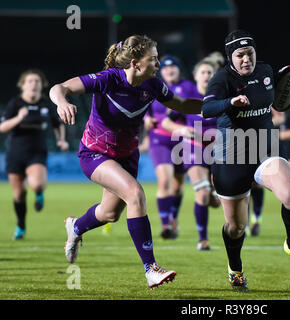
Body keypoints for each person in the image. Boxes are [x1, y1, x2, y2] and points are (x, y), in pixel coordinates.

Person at [49, 34, 202, 289]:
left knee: (109, 214)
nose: (158, 63)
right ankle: (151, 269)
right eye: (153, 59)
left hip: (127, 156)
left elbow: (182, 104)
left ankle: (75, 227)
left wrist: (221, 105)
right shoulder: (108, 78)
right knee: (135, 194)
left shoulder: (152, 85)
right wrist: (62, 102)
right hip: (95, 153)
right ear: (135, 63)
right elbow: (59, 88)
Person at [202, 30, 290, 292]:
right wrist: (230, 101)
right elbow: (206, 109)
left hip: (266, 148)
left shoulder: (265, 71)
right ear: (231, 57)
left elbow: (275, 98)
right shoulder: (222, 79)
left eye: (249, 53)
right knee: (235, 227)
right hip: (231, 156)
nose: (246, 59)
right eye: (240, 55)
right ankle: (236, 270)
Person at [0, 69, 69, 240]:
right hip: (15, 154)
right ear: (23, 85)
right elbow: (2, 127)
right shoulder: (15, 104)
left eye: (37, 81)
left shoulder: (46, 104)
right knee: (19, 195)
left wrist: (61, 139)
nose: (34, 84)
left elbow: (57, 123)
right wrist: (18, 118)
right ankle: (21, 226)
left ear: (42, 85)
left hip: (37, 153)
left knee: (37, 184)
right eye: (30, 81)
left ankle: (39, 194)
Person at [161, 59, 218, 251]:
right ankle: (203, 239)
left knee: (216, 202)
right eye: (203, 72)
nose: (206, 76)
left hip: (217, 152)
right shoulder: (188, 100)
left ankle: (213, 193)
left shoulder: (221, 99)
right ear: (195, 76)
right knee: (201, 193)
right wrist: (182, 129)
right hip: (193, 149)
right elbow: (167, 123)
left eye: (210, 72)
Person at [141, 55, 197, 240]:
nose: (170, 70)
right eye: (165, 68)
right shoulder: (153, 85)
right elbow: (142, 106)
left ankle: (173, 217)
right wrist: (146, 118)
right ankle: (166, 225)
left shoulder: (188, 87)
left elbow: (195, 108)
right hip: (159, 140)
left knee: (178, 186)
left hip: (182, 140)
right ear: (161, 71)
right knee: (164, 181)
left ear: (179, 69)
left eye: (173, 67)